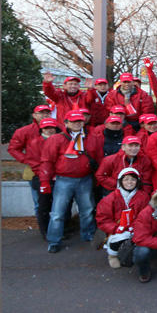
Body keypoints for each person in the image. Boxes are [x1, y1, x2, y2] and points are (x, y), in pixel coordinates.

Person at [39, 110, 103, 253]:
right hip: (64, 180)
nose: (77, 124)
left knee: (87, 210)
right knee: (57, 213)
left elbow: (98, 158)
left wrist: (98, 178)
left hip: (85, 179)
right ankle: (54, 240)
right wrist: (45, 181)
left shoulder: (92, 137)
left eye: (79, 121)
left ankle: (88, 235)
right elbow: (47, 161)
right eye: (73, 121)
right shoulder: (56, 139)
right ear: (66, 123)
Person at [8, 106, 58, 237]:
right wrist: (26, 160)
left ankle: (56, 229)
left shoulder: (57, 129)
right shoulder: (24, 131)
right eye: (41, 113)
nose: (45, 115)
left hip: (55, 172)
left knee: (56, 203)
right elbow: (13, 149)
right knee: (39, 203)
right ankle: (44, 230)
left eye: (47, 113)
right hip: (34, 171)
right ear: (34, 115)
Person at [95, 168, 149, 268]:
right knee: (118, 238)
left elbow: (146, 215)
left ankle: (131, 253)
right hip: (117, 228)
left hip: (136, 228)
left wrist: (137, 227)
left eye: (133, 179)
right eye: (126, 179)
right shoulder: (110, 199)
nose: (130, 182)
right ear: (120, 181)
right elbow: (103, 219)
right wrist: (116, 228)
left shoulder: (143, 196)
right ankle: (112, 255)